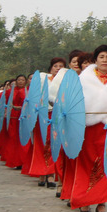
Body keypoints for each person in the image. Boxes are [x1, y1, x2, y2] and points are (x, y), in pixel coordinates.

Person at [70, 44, 107, 212]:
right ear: (95, 59)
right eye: (101, 57)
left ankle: (101, 203)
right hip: (87, 128)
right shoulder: (83, 79)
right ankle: (85, 201)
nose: (105, 60)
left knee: (105, 164)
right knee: (86, 164)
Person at [25, 58, 66, 187]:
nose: (58, 68)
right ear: (51, 68)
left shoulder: (66, 81)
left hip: (58, 116)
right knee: (42, 144)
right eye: (55, 66)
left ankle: (50, 174)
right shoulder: (43, 80)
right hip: (43, 116)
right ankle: (42, 173)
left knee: (55, 144)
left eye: (61, 66)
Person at [51, 49, 85, 200]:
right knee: (64, 153)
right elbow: (53, 98)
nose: (77, 64)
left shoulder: (88, 78)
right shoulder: (62, 77)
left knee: (77, 156)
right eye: (74, 61)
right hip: (65, 120)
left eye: (80, 62)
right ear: (69, 64)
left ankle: (74, 187)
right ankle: (61, 182)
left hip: (81, 122)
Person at [2, 75, 29, 169]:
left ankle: (22, 161)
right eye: (19, 80)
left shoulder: (28, 91)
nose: (21, 81)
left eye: (23, 80)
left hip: (24, 116)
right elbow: (7, 103)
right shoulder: (10, 92)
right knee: (13, 138)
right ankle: (14, 161)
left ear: (25, 81)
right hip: (13, 117)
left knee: (23, 139)